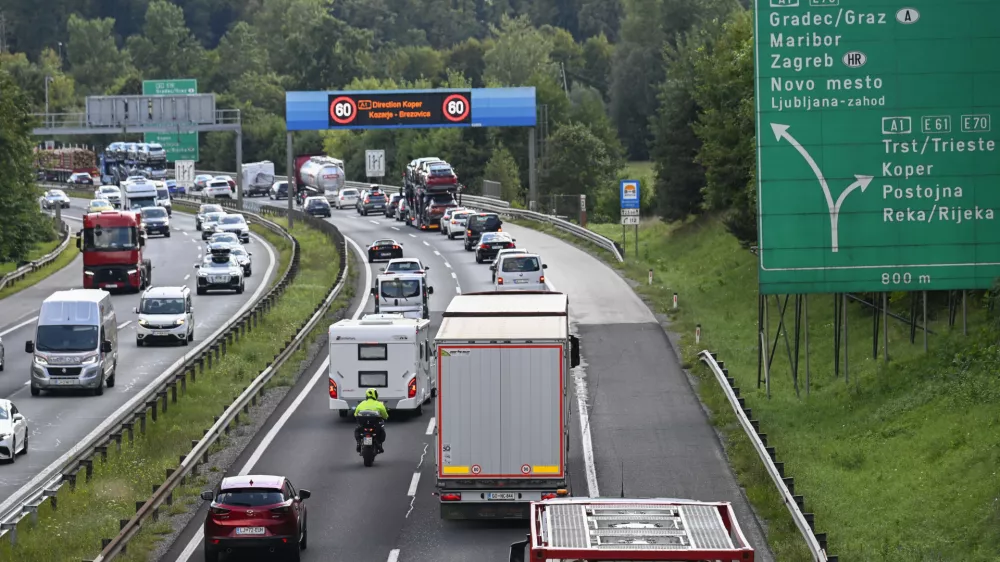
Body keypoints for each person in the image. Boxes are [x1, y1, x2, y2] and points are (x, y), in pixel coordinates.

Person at [354, 388, 388, 453]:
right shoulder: (379, 404)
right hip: (375, 426)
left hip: (363, 426)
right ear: (376, 395)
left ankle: (358, 443)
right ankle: (378, 444)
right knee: (382, 430)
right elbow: (385, 416)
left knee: (357, 430)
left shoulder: (361, 403)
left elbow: (355, 414)